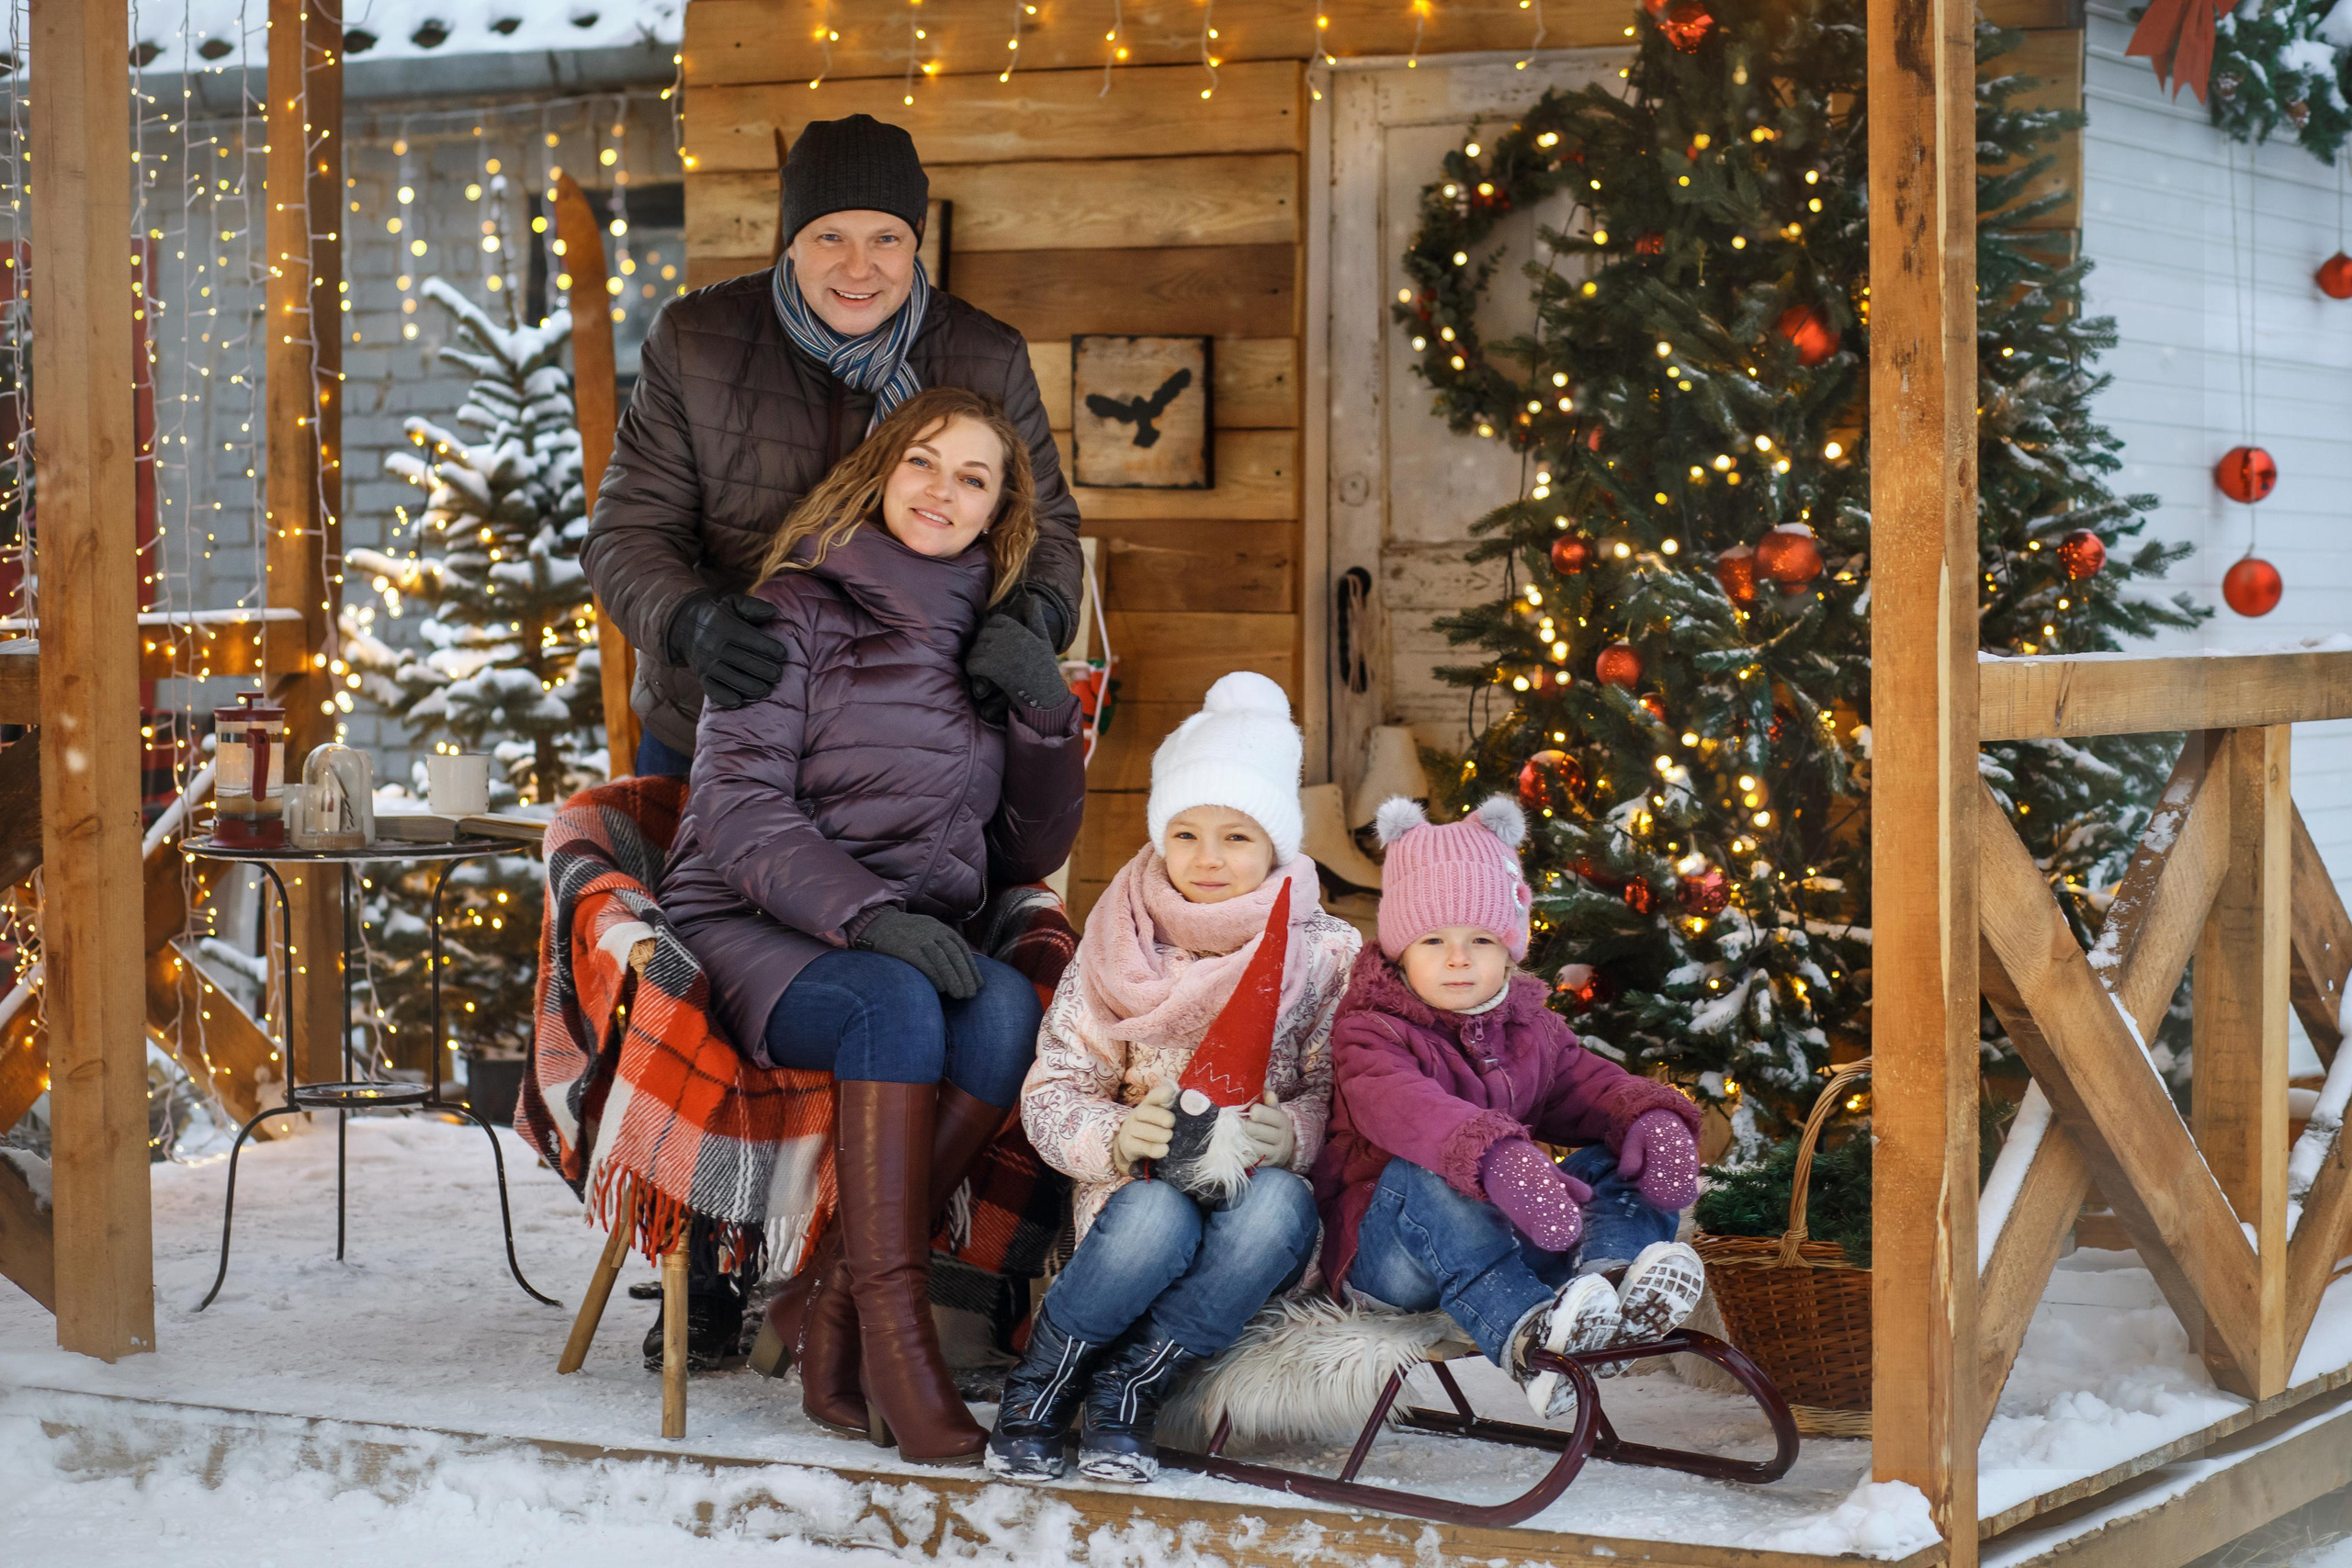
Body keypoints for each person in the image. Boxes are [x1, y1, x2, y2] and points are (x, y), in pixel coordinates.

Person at [656, 386, 1085, 1466]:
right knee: (895, 1003)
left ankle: (823, 1307)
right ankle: (897, 1354)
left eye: (973, 477)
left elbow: (1024, 856)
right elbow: (735, 809)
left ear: (1001, 511)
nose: (943, 492)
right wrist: (869, 916)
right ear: (882, 472)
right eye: (924, 463)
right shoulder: (796, 611)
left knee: (1000, 1012)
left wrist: (1041, 715)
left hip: (900, 933)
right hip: (755, 914)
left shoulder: (993, 638)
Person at [582, 113, 1083, 778]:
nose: (859, 267)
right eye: (829, 236)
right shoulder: (696, 340)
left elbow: (1049, 530)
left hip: (915, 735)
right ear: (792, 241)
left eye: (886, 238)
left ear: (914, 244)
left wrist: (1034, 620)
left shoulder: (986, 356)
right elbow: (626, 530)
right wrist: (687, 621)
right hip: (720, 721)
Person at [991, 674, 1363, 1485]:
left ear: (1276, 845)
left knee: (1278, 1202)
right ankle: (1041, 1391)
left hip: (1254, 1196)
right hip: (1133, 1196)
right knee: (1160, 1211)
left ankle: (1131, 1391)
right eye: (1186, 833)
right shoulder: (1119, 938)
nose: (1207, 859)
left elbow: (1341, 1093)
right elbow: (1053, 1087)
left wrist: (1292, 1132)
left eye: (1236, 837)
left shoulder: (1326, 950)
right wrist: (1116, 1135)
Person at [1310, 796, 1710, 1425]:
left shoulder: (1530, 1029)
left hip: (1515, 1231)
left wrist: (1645, 1113)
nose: (1458, 957)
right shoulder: (1370, 1029)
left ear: (1511, 946)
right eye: (1433, 939)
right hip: (1390, 1254)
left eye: (1481, 938)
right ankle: (1531, 1341)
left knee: (1618, 1154)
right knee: (1424, 1178)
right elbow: (1405, 1108)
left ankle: (1609, 1288)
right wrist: (1496, 1155)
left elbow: (1586, 1085)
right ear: (1400, 949)